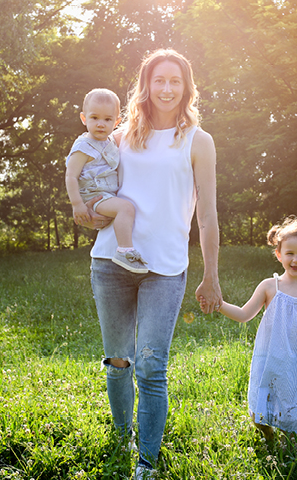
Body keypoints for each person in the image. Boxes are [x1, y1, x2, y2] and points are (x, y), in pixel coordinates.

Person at [78, 49, 222, 479]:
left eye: (175, 81)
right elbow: (90, 181)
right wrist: (86, 209)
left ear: (187, 87)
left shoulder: (198, 140)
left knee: (152, 365)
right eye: (158, 80)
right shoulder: (120, 135)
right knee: (118, 360)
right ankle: (121, 436)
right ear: (146, 85)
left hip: (165, 268)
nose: (166, 88)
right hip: (112, 261)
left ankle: (146, 460)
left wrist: (210, 275)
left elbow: (208, 215)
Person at [213, 216, 297, 441]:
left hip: (296, 363)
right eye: (289, 253)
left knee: (291, 412)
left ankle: (290, 440)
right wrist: (219, 305)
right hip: (268, 360)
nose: (295, 259)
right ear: (279, 255)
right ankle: (268, 436)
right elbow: (245, 315)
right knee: (259, 415)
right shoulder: (269, 287)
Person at [65, 88, 148, 273]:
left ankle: (125, 248)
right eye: (94, 118)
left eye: (107, 119)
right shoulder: (83, 146)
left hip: (105, 193)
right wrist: (77, 204)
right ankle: (125, 251)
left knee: (124, 208)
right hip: (93, 195)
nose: (101, 124)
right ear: (83, 118)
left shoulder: (110, 141)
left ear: (116, 122)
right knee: (126, 208)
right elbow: (70, 176)